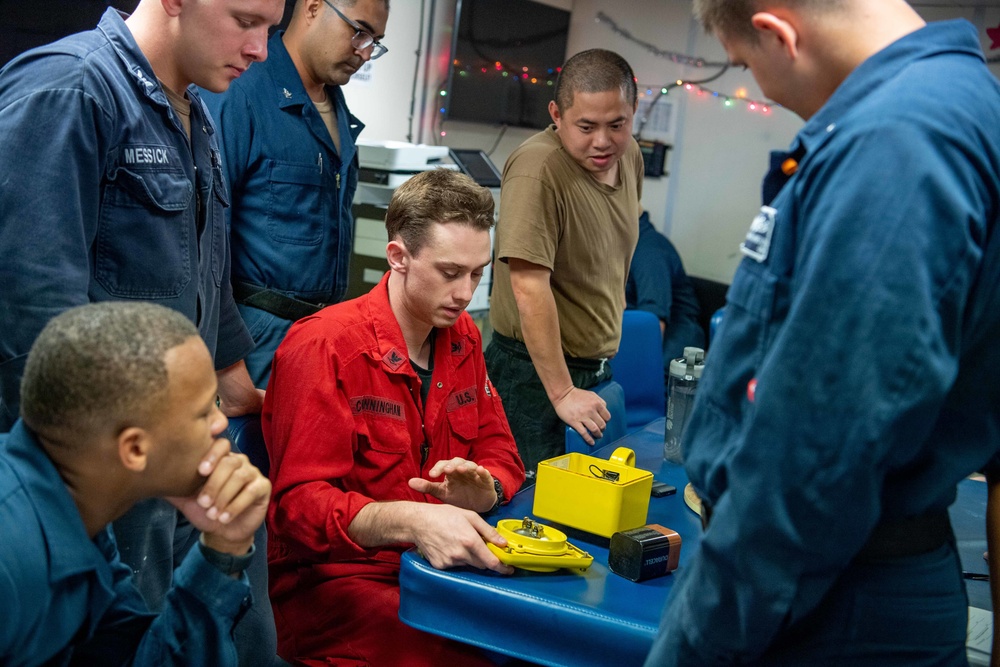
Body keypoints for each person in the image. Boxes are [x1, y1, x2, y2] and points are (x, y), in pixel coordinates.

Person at [645, 0, 1000, 664]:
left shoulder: (897, 138)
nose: (762, 91)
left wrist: (694, 642)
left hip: (829, 598)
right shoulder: (969, 103)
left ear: (778, 34)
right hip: (861, 577)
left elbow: (810, 460)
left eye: (749, 66)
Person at [0, 2, 286, 664]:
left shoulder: (198, 116)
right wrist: (86, 493)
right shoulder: (70, 91)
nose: (261, 48)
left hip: (166, 463)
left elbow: (205, 286)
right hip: (100, 473)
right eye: (245, 18)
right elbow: (30, 328)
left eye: (270, 24)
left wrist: (226, 404)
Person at [263, 169, 525, 665]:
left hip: (438, 567)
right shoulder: (324, 346)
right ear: (398, 257)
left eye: (477, 273)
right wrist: (412, 519)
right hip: (341, 585)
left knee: (532, 640)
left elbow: (500, 448)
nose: (466, 293)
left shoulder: (462, 335)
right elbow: (297, 507)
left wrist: (486, 486)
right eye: (450, 273)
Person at [0, 301, 270, 666]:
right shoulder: (10, 553)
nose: (221, 423)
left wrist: (224, 548)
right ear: (135, 449)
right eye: (205, 410)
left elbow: (138, 658)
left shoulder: (82, 513)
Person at [202, 0, 390, 389]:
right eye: (359, 31)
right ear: (313, 7)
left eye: (375, 41)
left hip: (319, 337)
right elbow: (205, 239)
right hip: (252, 341)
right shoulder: (242, 93)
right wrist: (226, 362)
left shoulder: (336, 108)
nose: (365, 52)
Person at [485, 48, 644, 480]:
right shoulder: (538, 168)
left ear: (634, 110)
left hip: (593, 370)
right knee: (525, 515)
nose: (603, 141)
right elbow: (528, 286)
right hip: (533, 376)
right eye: (586, 126)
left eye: (617, 124)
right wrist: (561, 392)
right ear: (556, 114)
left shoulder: (628, 157)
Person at [626, 210, 704, 384]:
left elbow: (652, 323)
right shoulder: (623, 245)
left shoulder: (649, 249)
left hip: (674, 359)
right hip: (649, 346)